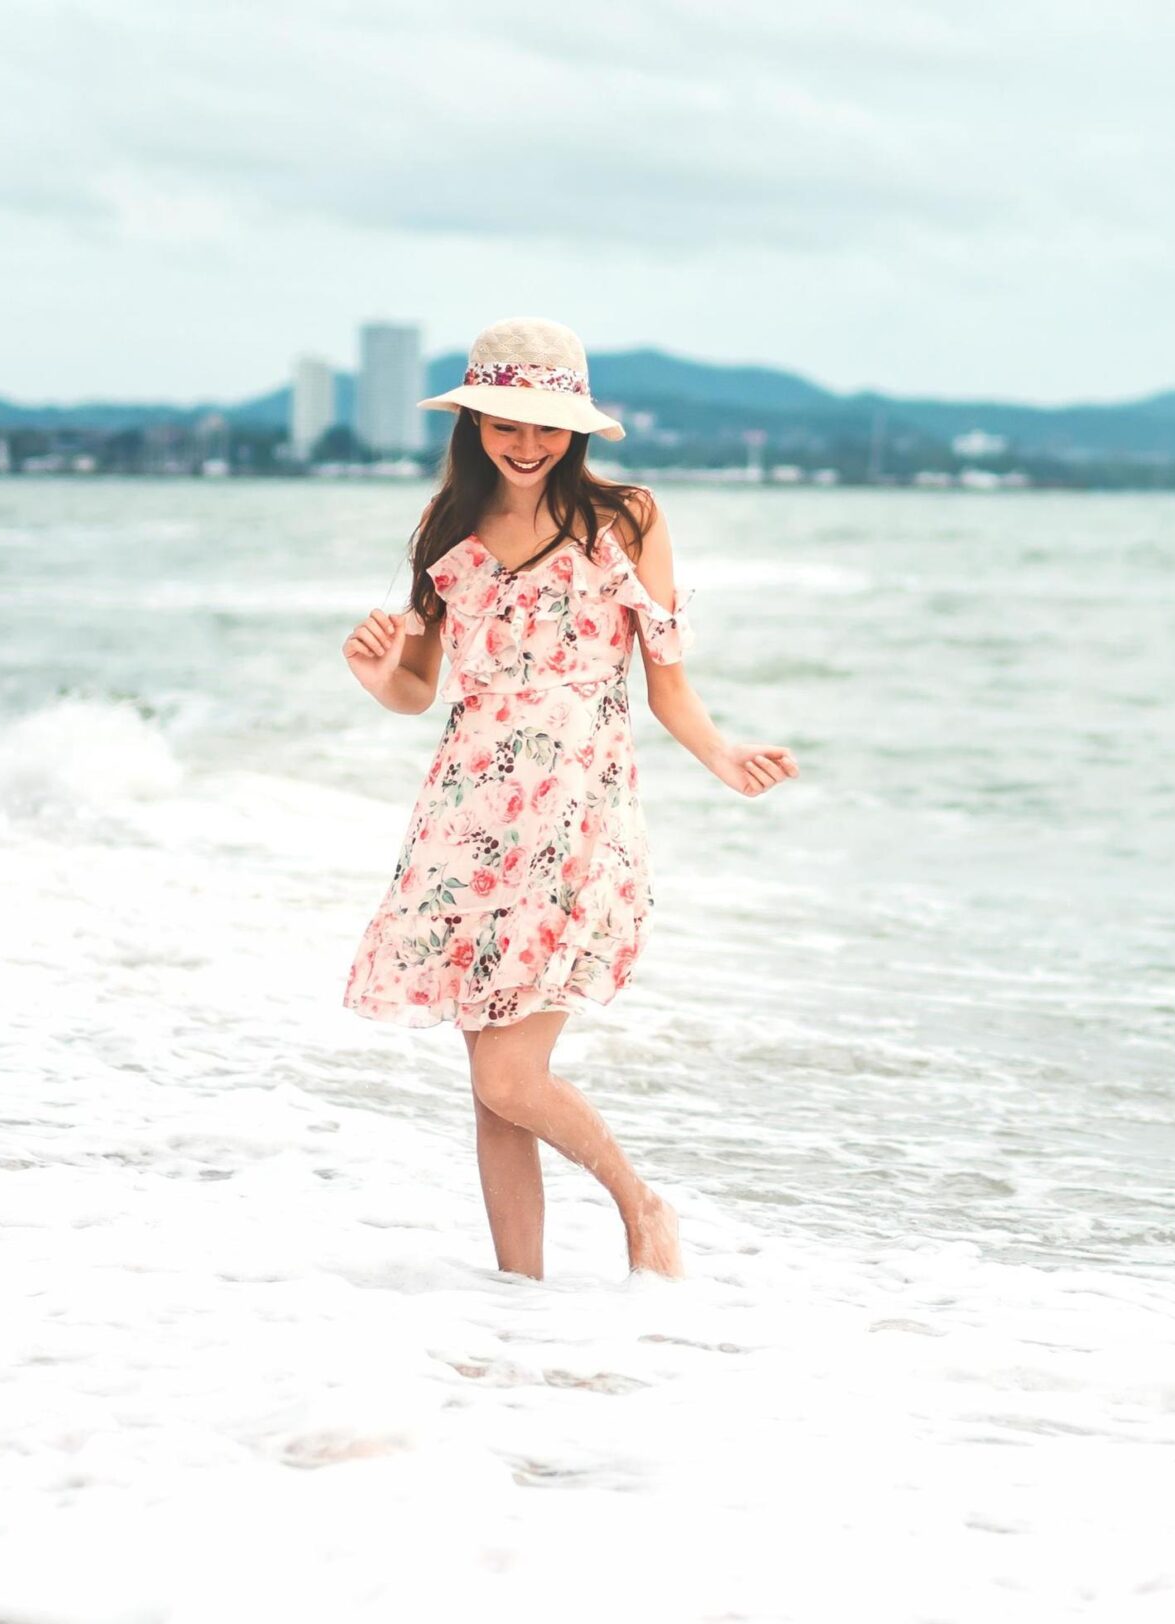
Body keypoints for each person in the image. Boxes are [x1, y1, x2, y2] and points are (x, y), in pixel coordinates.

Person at [339, 317, 795, 1279]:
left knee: (513, 1073)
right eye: (507, 421)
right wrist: (376, 675)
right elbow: (420, 690)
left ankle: (643, 1209)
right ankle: (520, 1305)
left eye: (547, 425)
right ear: (475, 421)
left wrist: (722, 754)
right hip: (467, 815)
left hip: (578, 809)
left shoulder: (626, 518)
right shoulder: (447, 531)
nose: (527, 442)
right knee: (489, 1088)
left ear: (576, 428)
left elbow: (666, 684)